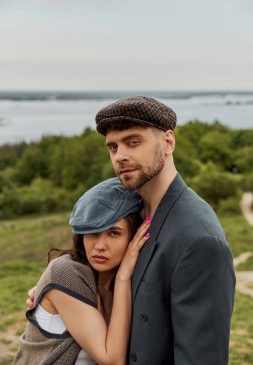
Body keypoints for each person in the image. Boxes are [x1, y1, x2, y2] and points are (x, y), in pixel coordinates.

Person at [28, 96, 236, 364]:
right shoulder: (132, 212)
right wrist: (49, 293)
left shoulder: (198, 239)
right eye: (113, 147)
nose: (121, 155)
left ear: (168, 142)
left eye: (133, 142)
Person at [15, 177, 151, 365]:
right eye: (93, 232)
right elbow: (113, 360)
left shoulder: (128, 283)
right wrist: (122, 277)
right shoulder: (66, 272)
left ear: (134, 236)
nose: (100, 246)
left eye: (114, 233)